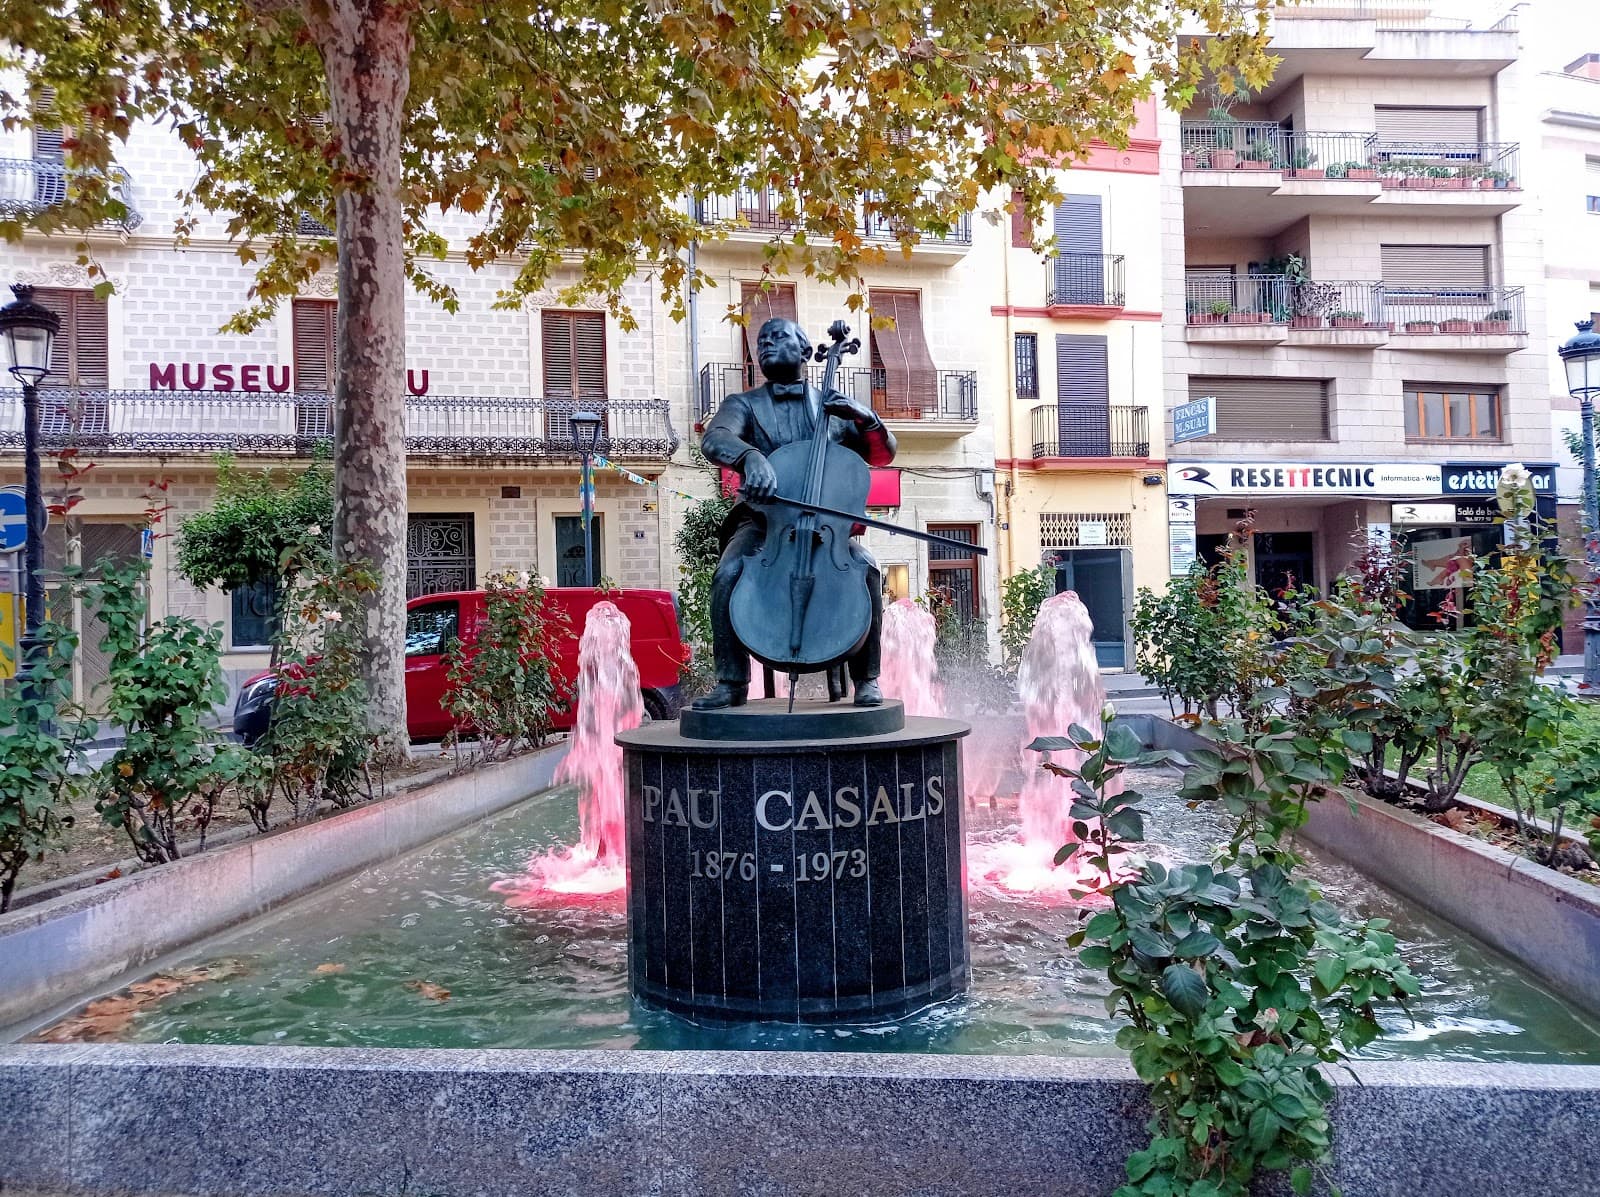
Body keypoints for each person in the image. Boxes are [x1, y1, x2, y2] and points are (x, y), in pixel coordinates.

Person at [693, 317, 897, 710]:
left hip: (824, 528)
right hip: (763, 521)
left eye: (778, 337)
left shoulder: (832, 408)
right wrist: (750, 457)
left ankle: (866, 679)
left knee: (867, 569)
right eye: (761, 340)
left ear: (806, 351)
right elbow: (716, 437)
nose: (766, 344)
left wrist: (864, 416)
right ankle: (731, 682)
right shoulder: (743, 404)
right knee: (728, 574)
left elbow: (882, 453)